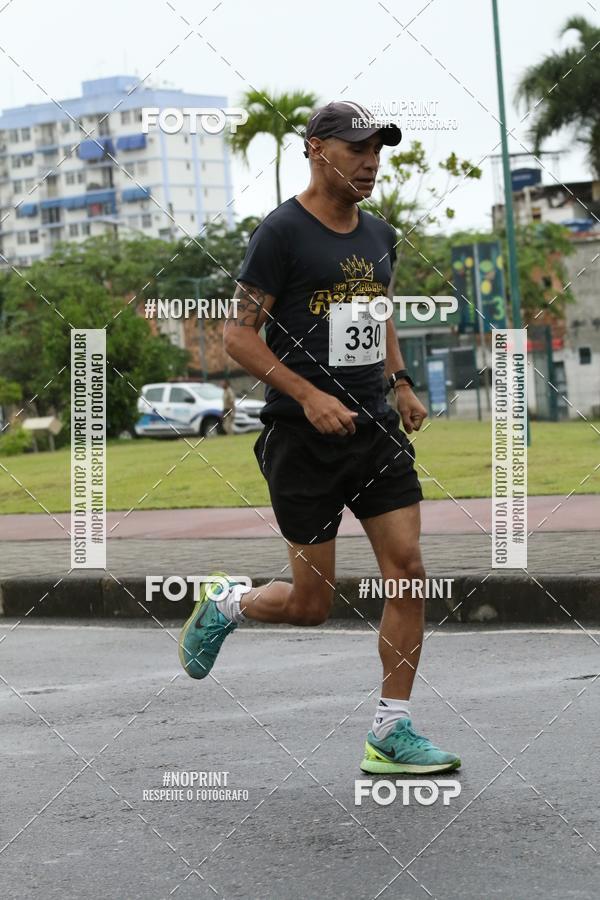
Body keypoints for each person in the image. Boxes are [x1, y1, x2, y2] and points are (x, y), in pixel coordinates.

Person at [179, 101, 460, 775]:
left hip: (375, 430)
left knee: (409, 573)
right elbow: (238, 336)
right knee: (312, 605)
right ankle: (226, 603)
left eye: (379, 151)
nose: (372, 162)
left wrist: (400, 383)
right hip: (301, 439)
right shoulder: (280, 233)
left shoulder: (380, 235)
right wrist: (307, 396)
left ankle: (391, 731)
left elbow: (379, 311)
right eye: (359, 148)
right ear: (316, 149)